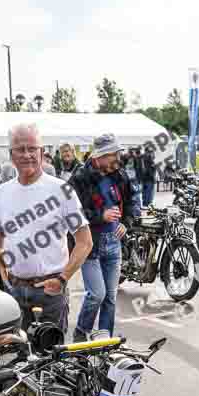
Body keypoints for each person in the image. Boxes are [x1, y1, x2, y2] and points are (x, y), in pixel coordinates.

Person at [0, 124, 92, 332]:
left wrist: (62, 279)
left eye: (32, 148)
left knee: (50, 361)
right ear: (11, 155)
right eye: (20, 149)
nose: (27, 155)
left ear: (42, 152)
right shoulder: (1, 193)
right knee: (18, 359)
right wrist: (1, 274)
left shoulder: (61, 190)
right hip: (13, 292)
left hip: (50, 293)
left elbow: (85, 242)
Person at [70, 132, 135, 340]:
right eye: (113, 154)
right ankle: (81, 333)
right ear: (100, 156)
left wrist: (126, 222)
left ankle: (105, 338)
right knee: (97, 295)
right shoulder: (79, 177)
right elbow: (71, 214)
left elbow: (133, 200)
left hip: (114, 243)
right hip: (90, 244)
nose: (118, 158)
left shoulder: (119, 173)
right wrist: (101, 216)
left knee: (110, 297)